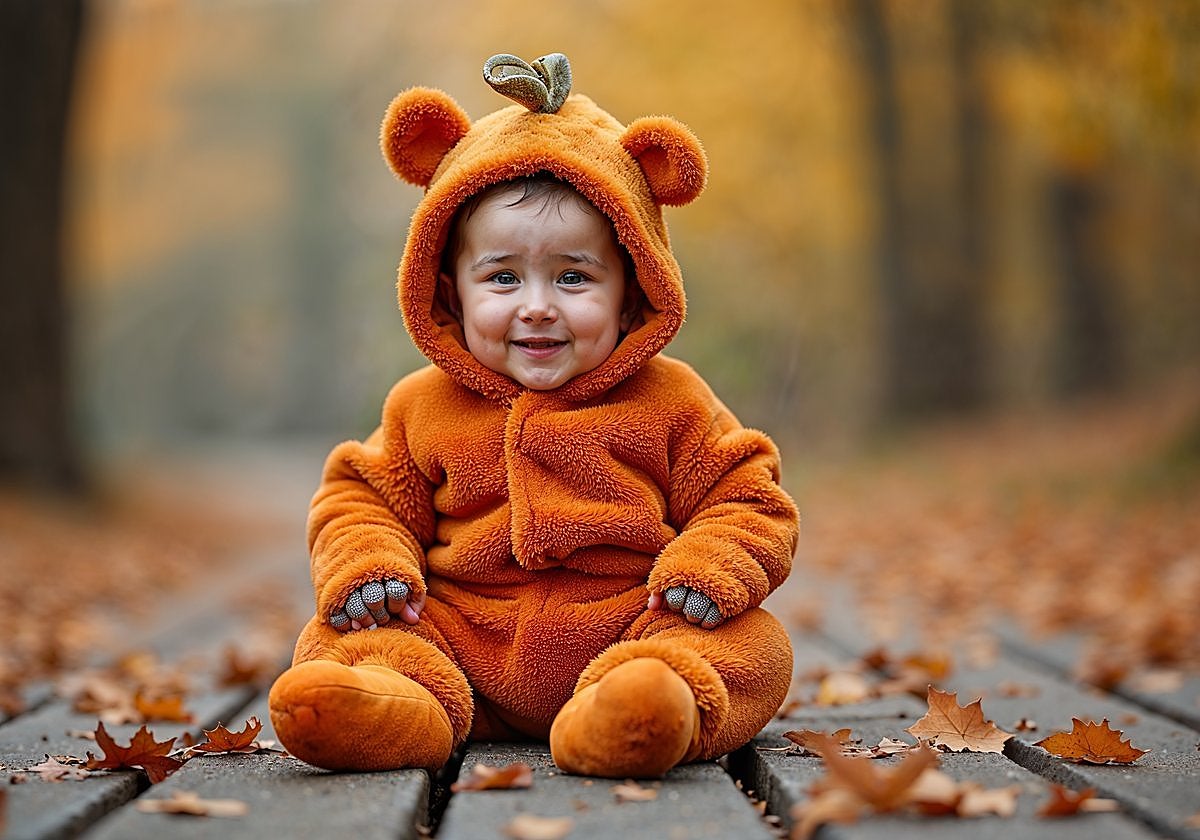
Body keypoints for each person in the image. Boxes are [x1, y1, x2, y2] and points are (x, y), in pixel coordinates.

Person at [268, 52, 799, 779]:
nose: (538, 305)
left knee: (758, 648)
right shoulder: (420, 405)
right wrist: (370, 567)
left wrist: (708, 567)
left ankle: (639, 711)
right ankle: (397, 706)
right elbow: (359, 497)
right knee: (336, 637)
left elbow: (747, 494)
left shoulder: (672, 400)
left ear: (631, 291)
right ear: (451, 291)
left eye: (574, 276)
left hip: (632, 628)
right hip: (463, 642)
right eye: (504, 277)